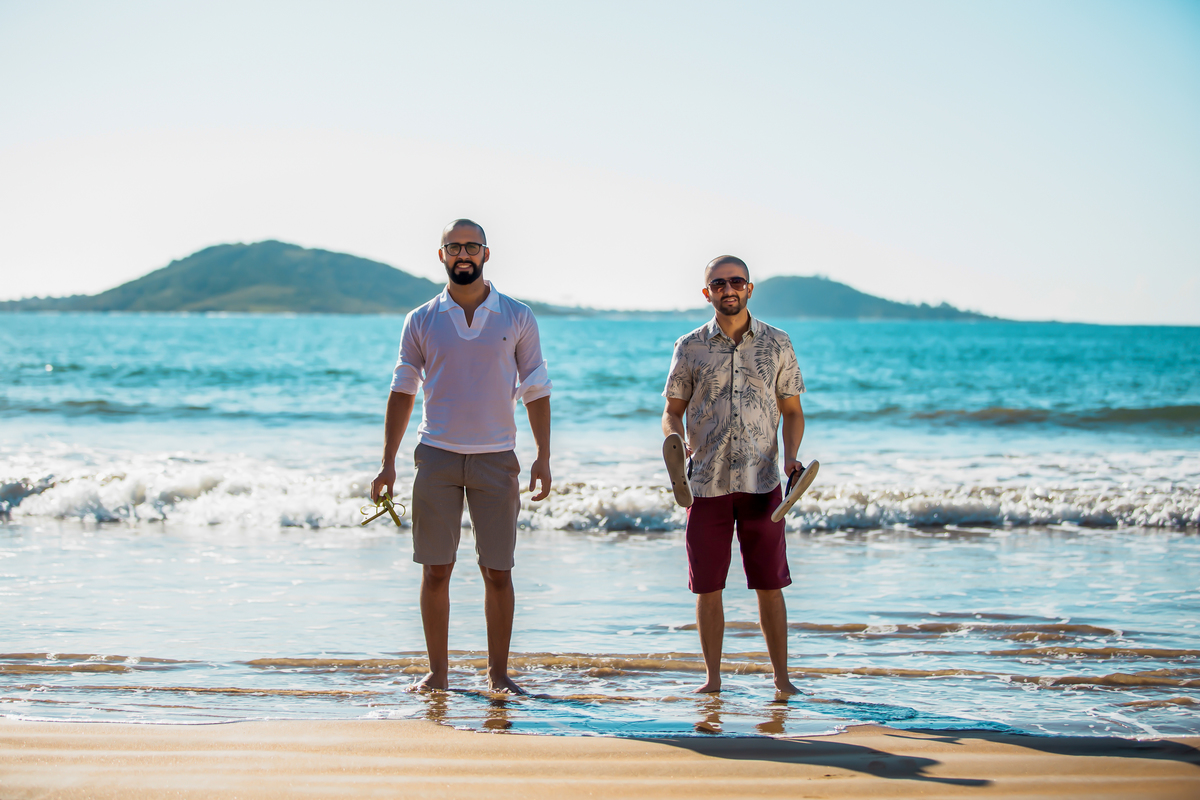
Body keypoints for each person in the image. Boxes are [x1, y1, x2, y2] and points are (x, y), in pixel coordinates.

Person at [371, 219, 552, 695]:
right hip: (437, 456)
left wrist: (543, 456)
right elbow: (403, 388)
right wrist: (388, 461)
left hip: (498, 458)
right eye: (455, 247)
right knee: (436, 569)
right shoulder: (421, 319)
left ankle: (498, 674)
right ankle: (439, 674)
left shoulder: (517, 316)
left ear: (487, 254)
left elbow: (536, 388)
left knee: (498, 570)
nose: (463, 254)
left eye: (472, 246)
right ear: (442, 255)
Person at [661, 255, 805, 694]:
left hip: (762, 483)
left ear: (749, 288)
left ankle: (783, 680)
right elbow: (672, 410)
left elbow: (793, 410)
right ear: (707, 292)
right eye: (719, 283)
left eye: (736, 281)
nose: (728, 289)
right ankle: (712, 681)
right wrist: (675, 441)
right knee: (708, 587)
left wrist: (792, 458)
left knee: (769, 584)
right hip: (705, 483)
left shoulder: (777, 343)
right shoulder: (689, 346)